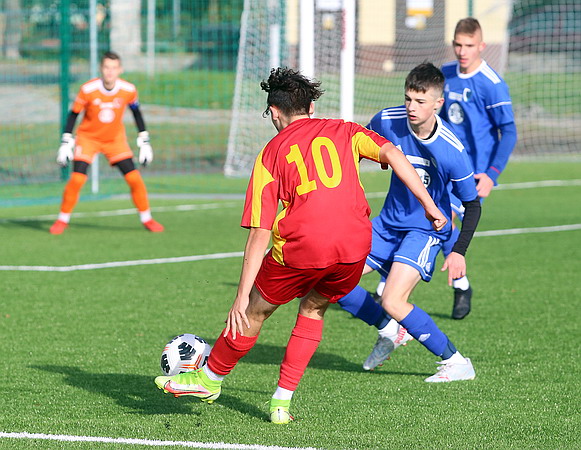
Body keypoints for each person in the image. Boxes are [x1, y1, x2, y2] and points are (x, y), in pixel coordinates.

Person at [154, 67, 446, 424]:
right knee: (313, 309)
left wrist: (241, 297)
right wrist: (430, 206)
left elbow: (260, 232)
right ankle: (281, 403)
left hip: (304, 247)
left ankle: (209, 379)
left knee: (255, 312)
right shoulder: (347, 130)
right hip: (356, 246)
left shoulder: (271, 153)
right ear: (310, 107)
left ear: (274, 111)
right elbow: (395, 155)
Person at [337, 62, 482, 380]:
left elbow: (472, 205)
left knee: (392, 299)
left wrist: (458, 251)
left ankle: (457, 362)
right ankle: (390, 331)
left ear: (438, 103)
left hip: (424, 231)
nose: (411, 107)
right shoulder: (388, 120)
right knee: (333, 280)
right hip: (387, 225)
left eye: (420, 101)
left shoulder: (451, 149)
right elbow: (359, 147)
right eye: (408, 99)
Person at [439, 17, 517, 319]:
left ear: (481, 45)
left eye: (469, 45)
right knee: (433, 221)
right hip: (444, 167)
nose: (462, 51)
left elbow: (508, 132)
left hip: (474, 174)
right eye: (458, 45)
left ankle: (461, 285)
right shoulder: (445, 74)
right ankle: (460, 286)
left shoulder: (492, 84)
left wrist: (492, 175)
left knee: (442, 222)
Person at [49, 51, 164, 235]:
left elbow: (136, 113)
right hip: (88, 139)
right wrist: (66, 142)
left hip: (114, 140)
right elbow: (74, 114)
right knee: (77, 179)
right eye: (106, 67)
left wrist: (144, 142)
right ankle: (62, 219)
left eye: (114, 68)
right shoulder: (88, 89)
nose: (110, 72)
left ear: (120, 70)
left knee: (134, 179)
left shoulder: (128, 90)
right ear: (100, 69)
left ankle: (147, 219)